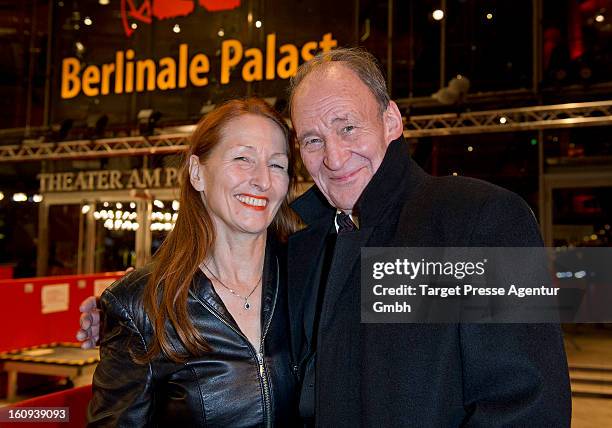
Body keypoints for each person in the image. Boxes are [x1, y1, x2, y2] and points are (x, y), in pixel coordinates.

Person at [80, 48, 572, 427]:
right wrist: (134, 299)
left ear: (392, 121)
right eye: (312, 139)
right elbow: (214, 260)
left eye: (348, 127)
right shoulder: (306, 246)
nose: (334, 157)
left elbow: (526, 407)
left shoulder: (476, 219)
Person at [85, 98, 300, 426]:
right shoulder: (142, 305)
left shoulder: (307, 278)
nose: (263, 180)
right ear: (198, 174)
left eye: (277, 164)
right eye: (243, 158)